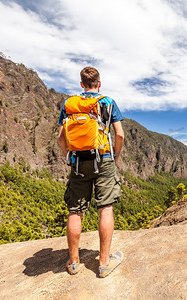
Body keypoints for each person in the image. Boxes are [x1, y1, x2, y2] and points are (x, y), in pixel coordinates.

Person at [57, 66, 125, 277]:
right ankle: (103, 263)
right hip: (103, 158)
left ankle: (74, 262)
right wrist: (115, 156)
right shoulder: (108, 102)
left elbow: (61, 137)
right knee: (105, 208)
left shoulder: (70, 104)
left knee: (75, 211)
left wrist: (68, 155)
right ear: (99, 83)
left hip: (78, 161)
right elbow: (120, 134)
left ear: (81, 84)